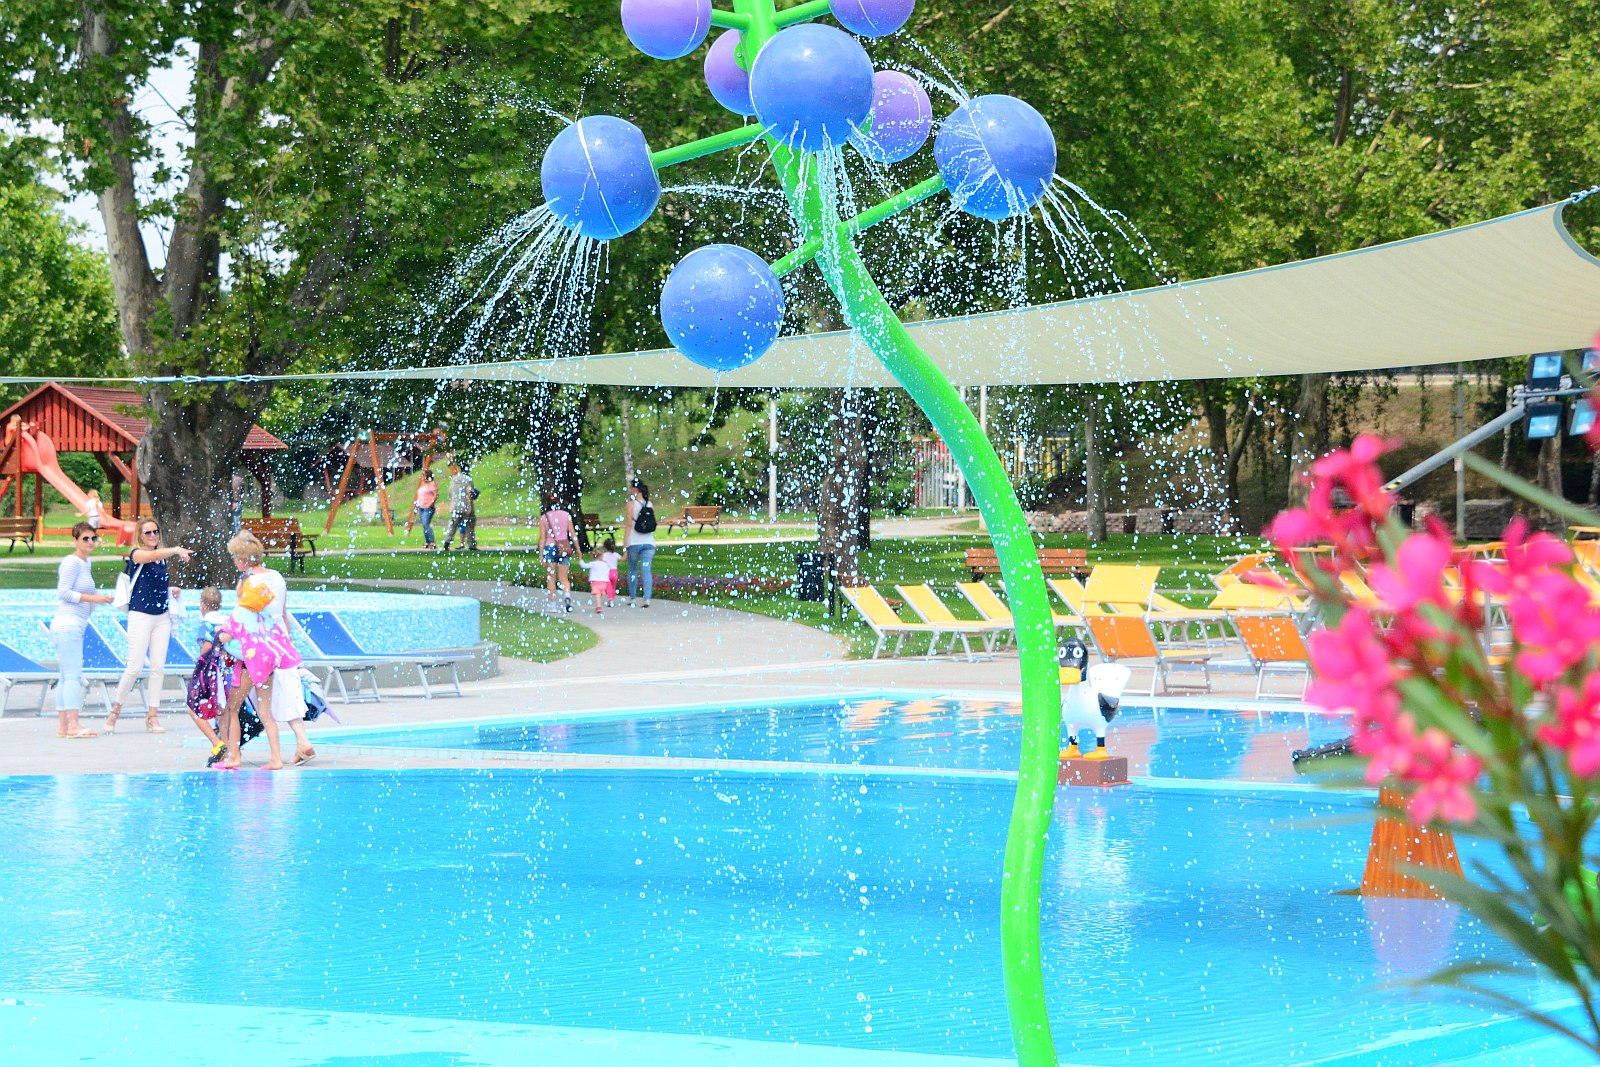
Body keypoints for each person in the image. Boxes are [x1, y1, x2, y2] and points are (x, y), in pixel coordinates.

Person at [216, 531, 305, 770]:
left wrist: (220, 636)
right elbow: (281, 613)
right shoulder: (275, 578)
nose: (234, 562)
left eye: (235, 557)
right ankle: (276, 758)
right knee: (265, 711)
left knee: (232, 707)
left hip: (251, 656)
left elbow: (237, 621)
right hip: (274, 649)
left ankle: (234, 756)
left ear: (243, 560)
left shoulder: (249, 585)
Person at [104, 518, 192, 735]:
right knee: (134, 666)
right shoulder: (136, 554)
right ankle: (115, 712)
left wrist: (171, 590)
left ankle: (153, 716)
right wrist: (176, 549)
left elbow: (152, 581)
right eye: (148, 533)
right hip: (140, 616)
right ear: (140, 536)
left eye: (155, 532)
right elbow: (150, 556)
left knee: (158, 668)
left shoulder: (161, 560)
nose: (153, 536)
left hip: (161, 617)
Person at [51, 522, 112, 739]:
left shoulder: (85, 563)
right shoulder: (72, 562)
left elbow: (87, 597)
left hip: (72, 624)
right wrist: (94, 598)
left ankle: (64, 727)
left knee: (65, 675)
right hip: (68, 625)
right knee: (73, 676)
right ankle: (73, 724)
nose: (89, 542)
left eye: (92, 538)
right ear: (75, 540)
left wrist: (101, 600)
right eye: (85, 538)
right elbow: (64, 593)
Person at [185, 586, 230, 766]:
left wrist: (199, 663)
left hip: (211, 671)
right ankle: (228, 748)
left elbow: (207, 646)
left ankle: (217, 743)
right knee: (223, 709)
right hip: (228, 669)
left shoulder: (206, 622)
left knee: (193, 706)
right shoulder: (226, 620)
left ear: (203, 605)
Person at [539, 492, 578, 612]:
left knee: (551, 577)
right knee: (564, 578)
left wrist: (541, 555)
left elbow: (542, 538)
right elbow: (572, 533)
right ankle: (567, 596)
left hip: (549, 548)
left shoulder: (544, 518)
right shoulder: (566, 515)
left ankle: (552, 605)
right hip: (563, 548)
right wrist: (578, 549)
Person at [624, 479, 656, 608]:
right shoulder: (650, 504)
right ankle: (647, 599)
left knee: (632, 570)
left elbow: (628, 524)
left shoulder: (631, 504)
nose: (630, 490)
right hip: (649, 542)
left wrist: (625, 543)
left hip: (634, 542)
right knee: (646, 571)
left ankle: (633, 598)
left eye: (631, 488)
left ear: (635, 489)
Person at [442, 461, 477, 551]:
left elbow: (450, 492)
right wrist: (470, 507)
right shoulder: (468, 479)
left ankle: (447, 541)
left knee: (453, 526)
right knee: (470, 526)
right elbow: (469, 493)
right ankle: (471, 544)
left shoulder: (454, 479)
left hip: (455, 506)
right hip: (465, 506)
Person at [583, 546, 613, 616]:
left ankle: (598, 606)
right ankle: (599, 604)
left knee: (597, 594)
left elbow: (584, 565)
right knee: (600, 594)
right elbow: (608, 570)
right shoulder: (605, 564)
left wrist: (580, 560)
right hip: (604, 582)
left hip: (596, 582)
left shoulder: (593, 563)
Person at [413, 469, 440, 549]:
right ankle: (428, 542)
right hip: (421, 507)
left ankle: (432, 542)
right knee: (424, 525)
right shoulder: (422, 484)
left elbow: (435, 495)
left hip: (428, 507)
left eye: (423, 475)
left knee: (426, 524)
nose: (422, 477)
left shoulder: (432, 484)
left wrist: (430, 504)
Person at [601, 536, 622, 609]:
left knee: (608, 587)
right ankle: (612, 598)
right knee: (613, 587)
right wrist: (626, 551)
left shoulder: (604, 555)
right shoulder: (616, 554)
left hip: (607, 572)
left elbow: (600, 561)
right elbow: (623, 558)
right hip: (615, 572)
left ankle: (610, 600)